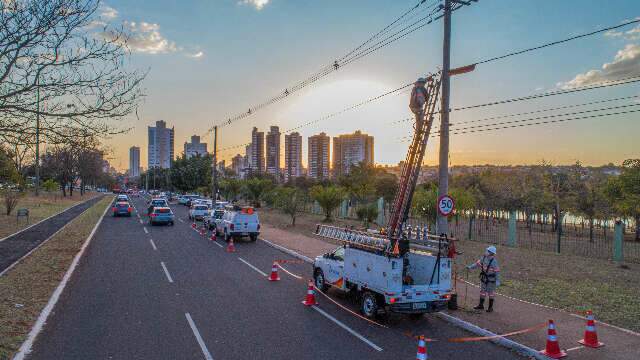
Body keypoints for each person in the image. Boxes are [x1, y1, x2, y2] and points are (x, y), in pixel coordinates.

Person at [466, 246, 500, 312]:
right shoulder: (483, 258)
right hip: (484, 278)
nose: (486, 251)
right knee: (482, 292)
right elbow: (477, 264)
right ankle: (481, 305)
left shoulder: (494, 261)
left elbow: (497, 271)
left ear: (491, 253)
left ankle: (490, 308)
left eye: (488, 251)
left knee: (491, 293)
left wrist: (498, 280)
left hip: (491, 280)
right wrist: (470, 267)